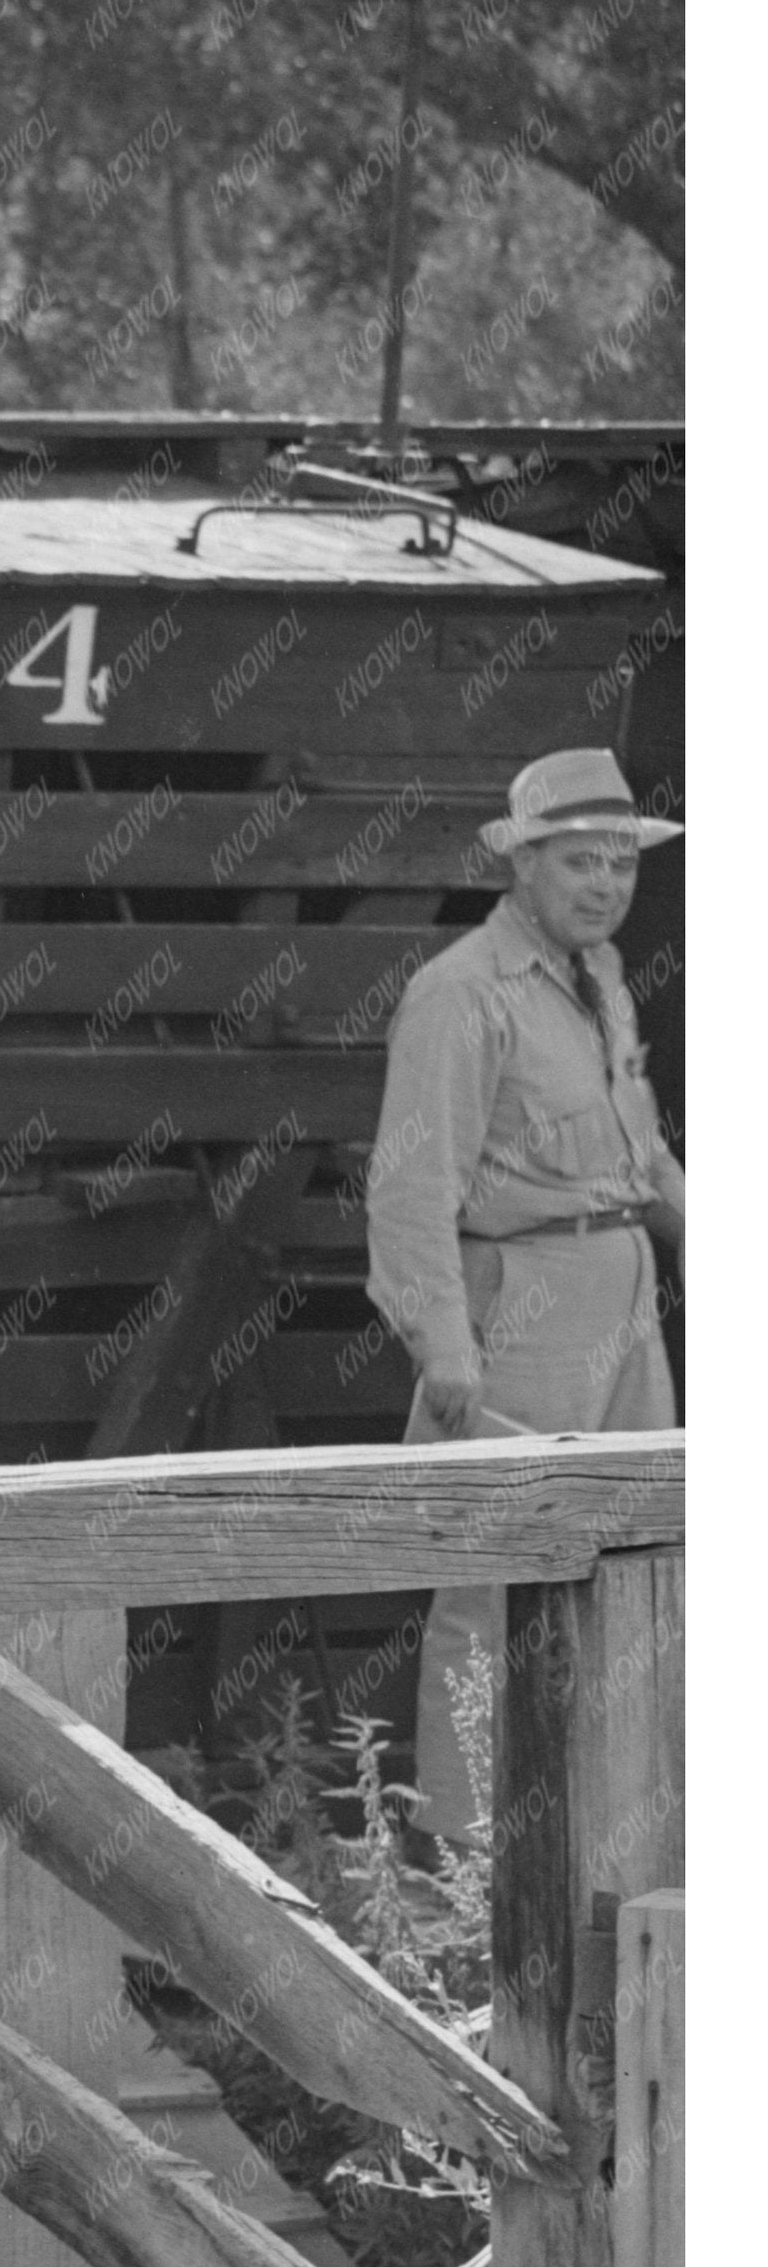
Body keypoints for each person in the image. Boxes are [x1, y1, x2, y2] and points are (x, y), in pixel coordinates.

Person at [364, 744, 686, 1838]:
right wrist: (444, 1348)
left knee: (642, 1568)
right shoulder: (459, 994)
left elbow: (645, 1160)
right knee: (491, 1586)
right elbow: (412, 1185)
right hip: (520, 1306)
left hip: (623, 1296)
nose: (605, 885)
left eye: (621, 866)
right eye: (580, 864)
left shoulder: (600, 981)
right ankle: (464, 1863)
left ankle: (614, 1842)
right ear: (524, 868)